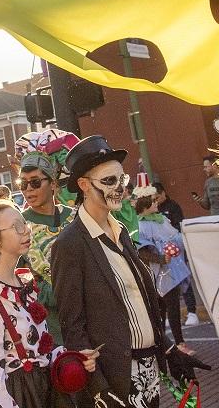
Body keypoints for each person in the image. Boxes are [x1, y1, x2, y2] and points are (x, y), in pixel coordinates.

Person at [52, 137, 203, 408]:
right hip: (115, 377)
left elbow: (140, 302)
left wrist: (168, 349)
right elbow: (72, 326)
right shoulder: (70, 244)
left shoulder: (120, 230)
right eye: (109, 181)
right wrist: (99, 390)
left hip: (148, 368)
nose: (120, 188)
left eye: (122, 180)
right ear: (84, 185)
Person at [0, 200, 94, 408]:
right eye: (17, 227)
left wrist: (73, 356)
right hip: (20, 395)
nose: (26, 231)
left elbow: (38, 350)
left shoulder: (23, 285)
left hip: (45, 389)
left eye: (24, 224)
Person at [14, 130, 76, 344]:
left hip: (91, 316)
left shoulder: (76, 217)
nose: (28, 190)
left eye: (35, 182)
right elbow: (21, 282)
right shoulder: (17, 226)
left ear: (53, 184)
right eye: (23, 184)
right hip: (51, 327)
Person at [133, 193, 195, 355]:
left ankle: (178, 343)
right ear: (145, 207)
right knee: (161, 311)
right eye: (152, 202)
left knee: (172, 308)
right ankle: (163, 345)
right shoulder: (140, 226)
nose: (156, 203)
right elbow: (142, 252)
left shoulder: (161, 220)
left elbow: (176, 237)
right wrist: (162, 259)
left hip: (170, 271)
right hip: (157, 274)